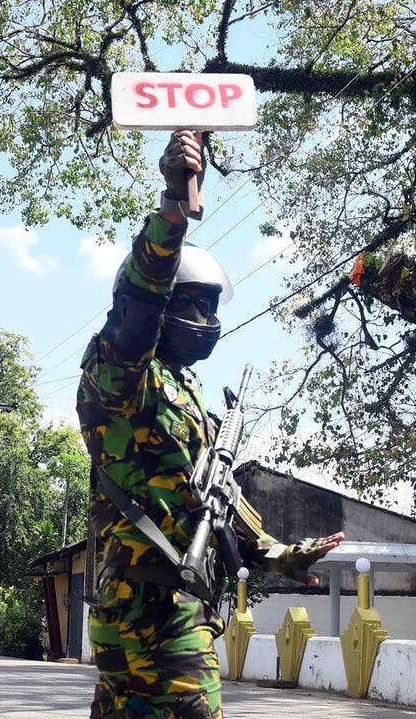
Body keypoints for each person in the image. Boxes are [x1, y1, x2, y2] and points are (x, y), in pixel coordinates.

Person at [77, 130, 345, 719]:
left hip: (159, 605)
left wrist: (283, 555)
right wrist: (174, 208)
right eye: (195, 304)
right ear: (165, 307)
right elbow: (136, 310)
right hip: (155, 610)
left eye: (212, 306)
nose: (207, 319)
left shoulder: (183, 391)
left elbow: (214, 501)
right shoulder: (121, 376)